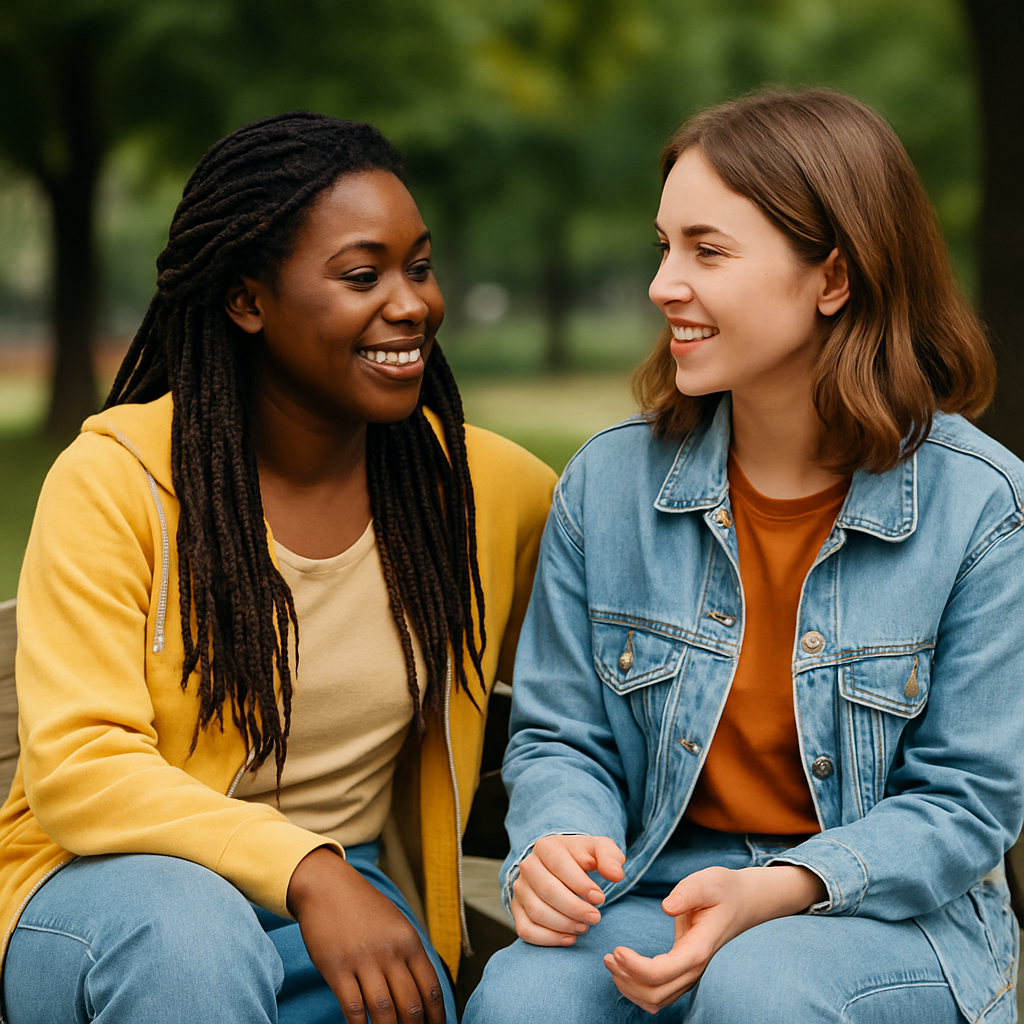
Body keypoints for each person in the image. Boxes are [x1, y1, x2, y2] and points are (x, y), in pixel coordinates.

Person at [463, 88, 1024, 1023]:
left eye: (707, 250)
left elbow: (968, 803)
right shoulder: (606, 487)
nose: (663, 284)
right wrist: (561, 841)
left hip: (898, 921)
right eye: (664, 245)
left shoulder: (982, 508)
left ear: (833, 279)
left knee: (760, 986)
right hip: (655, 889)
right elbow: (564, 738)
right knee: (523, 998)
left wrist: (780, 889)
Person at [0, 112, 555, 1024]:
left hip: (352, 903)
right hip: (113, 897)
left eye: (419, 267)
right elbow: (79, 764)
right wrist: (306, 870)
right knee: (190, 941)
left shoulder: (479, 492)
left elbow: (630, 637)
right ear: (248, 300)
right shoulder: (116, 483)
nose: (412, 302)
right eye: (362, 275)